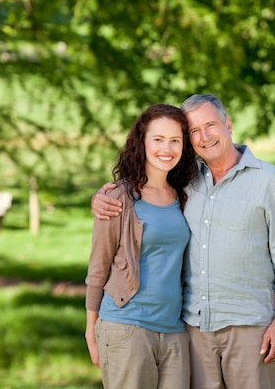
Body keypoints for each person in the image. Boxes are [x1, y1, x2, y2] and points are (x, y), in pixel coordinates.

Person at [91, 94, 275, 389]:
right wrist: (103, 197)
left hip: (250, 327)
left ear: (228, 124)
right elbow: (142, 201)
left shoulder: (269, 181)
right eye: (193, 131)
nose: (204, 137)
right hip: (194, 329)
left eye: (210, 125)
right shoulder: (187, 182)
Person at [84, 103, 198, 389]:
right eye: (158, 139)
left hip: (174, 331)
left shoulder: (186, 194)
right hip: (126, 326)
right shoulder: (118, 198)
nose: (167, 148)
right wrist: (91, 329)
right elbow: (98, 267)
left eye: (175, 140)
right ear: (142, 141)